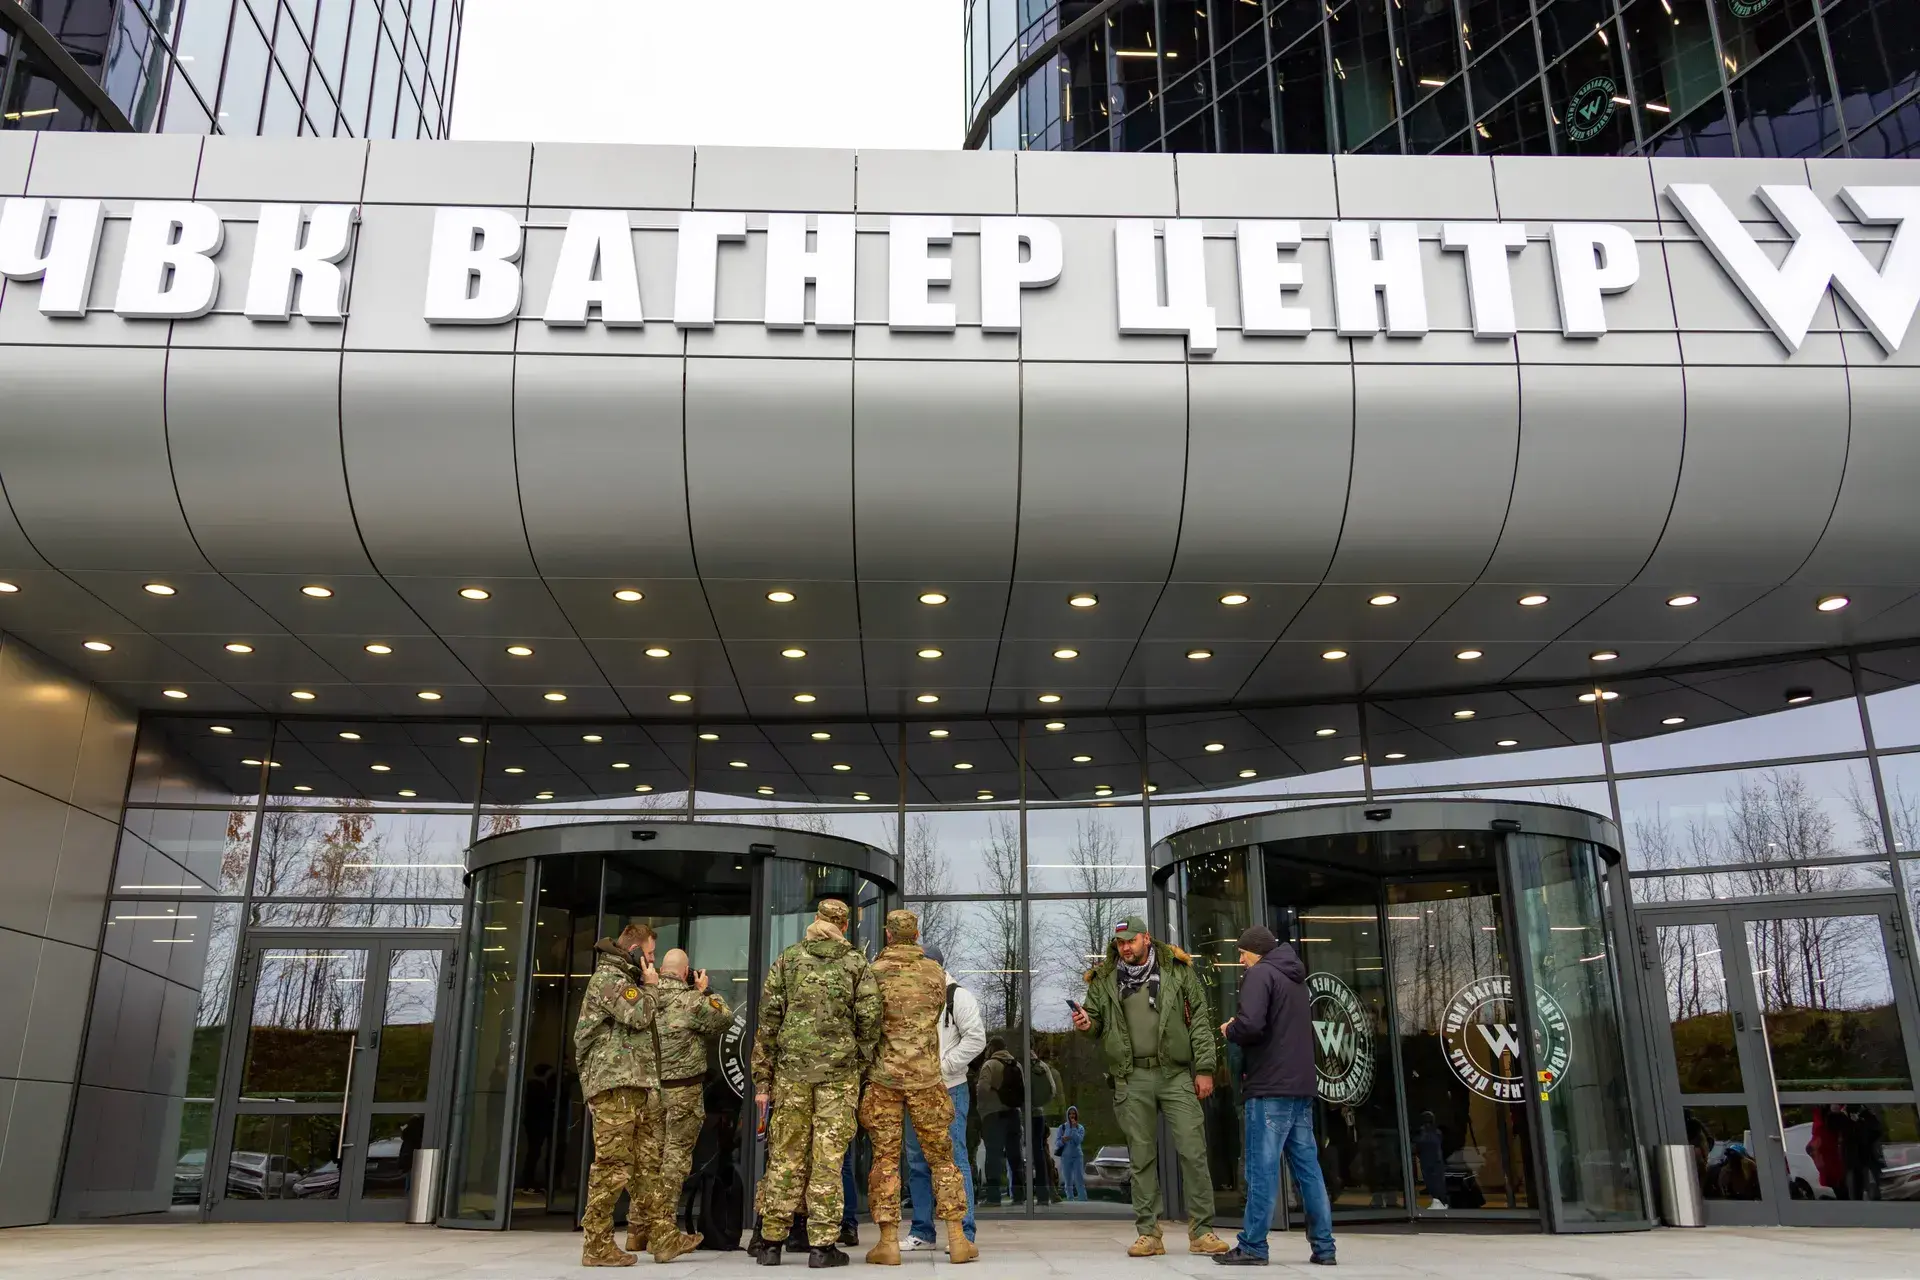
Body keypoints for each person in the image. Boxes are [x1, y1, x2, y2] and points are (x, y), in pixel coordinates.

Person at [1072, 914, 1230, 1258]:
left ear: (1146, 938)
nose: (1125, 948)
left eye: (1131, 940)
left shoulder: (1177, 969)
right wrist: (1085, 1024)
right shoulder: (1105, 978)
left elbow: (1199, 1020)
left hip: (1175, 1074)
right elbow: (1096, 1023)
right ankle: (1149, 1234)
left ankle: (1202, 1231)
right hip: (1131, 1077)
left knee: (1193, 1151)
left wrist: (1205, 1068)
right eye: (1120, 943)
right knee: (1141, 1158)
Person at [748, 899, 881, 1269]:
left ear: (816, 921)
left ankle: (771, 1243)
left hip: (791, 1075)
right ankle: (822, 1247)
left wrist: (764, 1078)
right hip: (838, 1078)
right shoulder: (855, 963)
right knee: (828, 1159)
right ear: (844, 926)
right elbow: (870, 1018)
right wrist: (858, 1060)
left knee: (785, 1156)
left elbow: (768, 1021)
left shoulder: (788, 960)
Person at [858, 910, 978, 1265]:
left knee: (886, 1160)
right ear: (916, 934)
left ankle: (888, 1243)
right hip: (927, 1080)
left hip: (886, 1081)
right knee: (943, 1158)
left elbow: (865, 1024)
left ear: (888, 934)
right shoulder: (936, 973)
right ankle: (958, 1238)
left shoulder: (874, 973)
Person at [1216, 925, 1334, 1268]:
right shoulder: (1295, 979)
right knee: (1308, 1170)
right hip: (1300, 1087)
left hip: (1269, 1087)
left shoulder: (1260, 974)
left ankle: (1253, 1246)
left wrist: (1230, 1029)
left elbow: (1252, 1024)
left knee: (1261, 1169)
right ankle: (1324, 1247)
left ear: (1255, 951)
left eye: (1242, 953)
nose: (1241, 960)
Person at [573, 922, 661, 1268]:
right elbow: (639, 1015)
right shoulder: (610, 979)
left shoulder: (624, 979)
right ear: (636, 950)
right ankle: (596, 1245)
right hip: (613, 1085)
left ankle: (661, 1234)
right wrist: (651, 986)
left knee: (637, 1165)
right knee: (611, 1167)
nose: (652, 961)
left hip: (627, 1084)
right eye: (650, 953)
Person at [645, 948, 732, 1260]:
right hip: (682, 1093)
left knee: (650, 1161)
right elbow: (725, 1018)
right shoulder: (692, 1001)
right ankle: (664, 1235)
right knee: (675, 1161)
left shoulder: (646, 998)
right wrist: (705, 991)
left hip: (649, 1093)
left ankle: (641, 1230)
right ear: (685, 973)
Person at [902, 943, 983, 1253]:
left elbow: (976, 1038)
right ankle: (923, 1231)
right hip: (915, 1091)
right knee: (917, 1162)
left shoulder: (957, 997)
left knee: (955, 1159)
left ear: (936, 966)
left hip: (949, 1089)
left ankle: (964, 1232)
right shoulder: (912, 997)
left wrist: (944, 1067)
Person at [975, 1038, 1025, 1204]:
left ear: (992, 1048)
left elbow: (982, 1089)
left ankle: (993, 1195)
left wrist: (982, 1108)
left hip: (993, 1115)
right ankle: (1019, 1194)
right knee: (1015, 1155)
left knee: (993, 1155)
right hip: (1014, 1114)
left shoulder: (990, 1065)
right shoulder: (1017, 1065)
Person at [1054, 1105, 1088, 1201]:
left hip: (1077, 1156)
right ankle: (1070, 1199)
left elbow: (1078, 1141)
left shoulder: (1080, 1127)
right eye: (1070, 1114)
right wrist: (1063, 1140)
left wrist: (1073, 1128)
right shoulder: (1062, 1127)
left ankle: (1082, 1199)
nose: (1072, 1116)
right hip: (1066, 1156)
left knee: (1079, 1178)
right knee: (1068, 1179)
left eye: (1074, 1114)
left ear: (1076, 1115)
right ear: (1067, 1115)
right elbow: (1057, 1143)